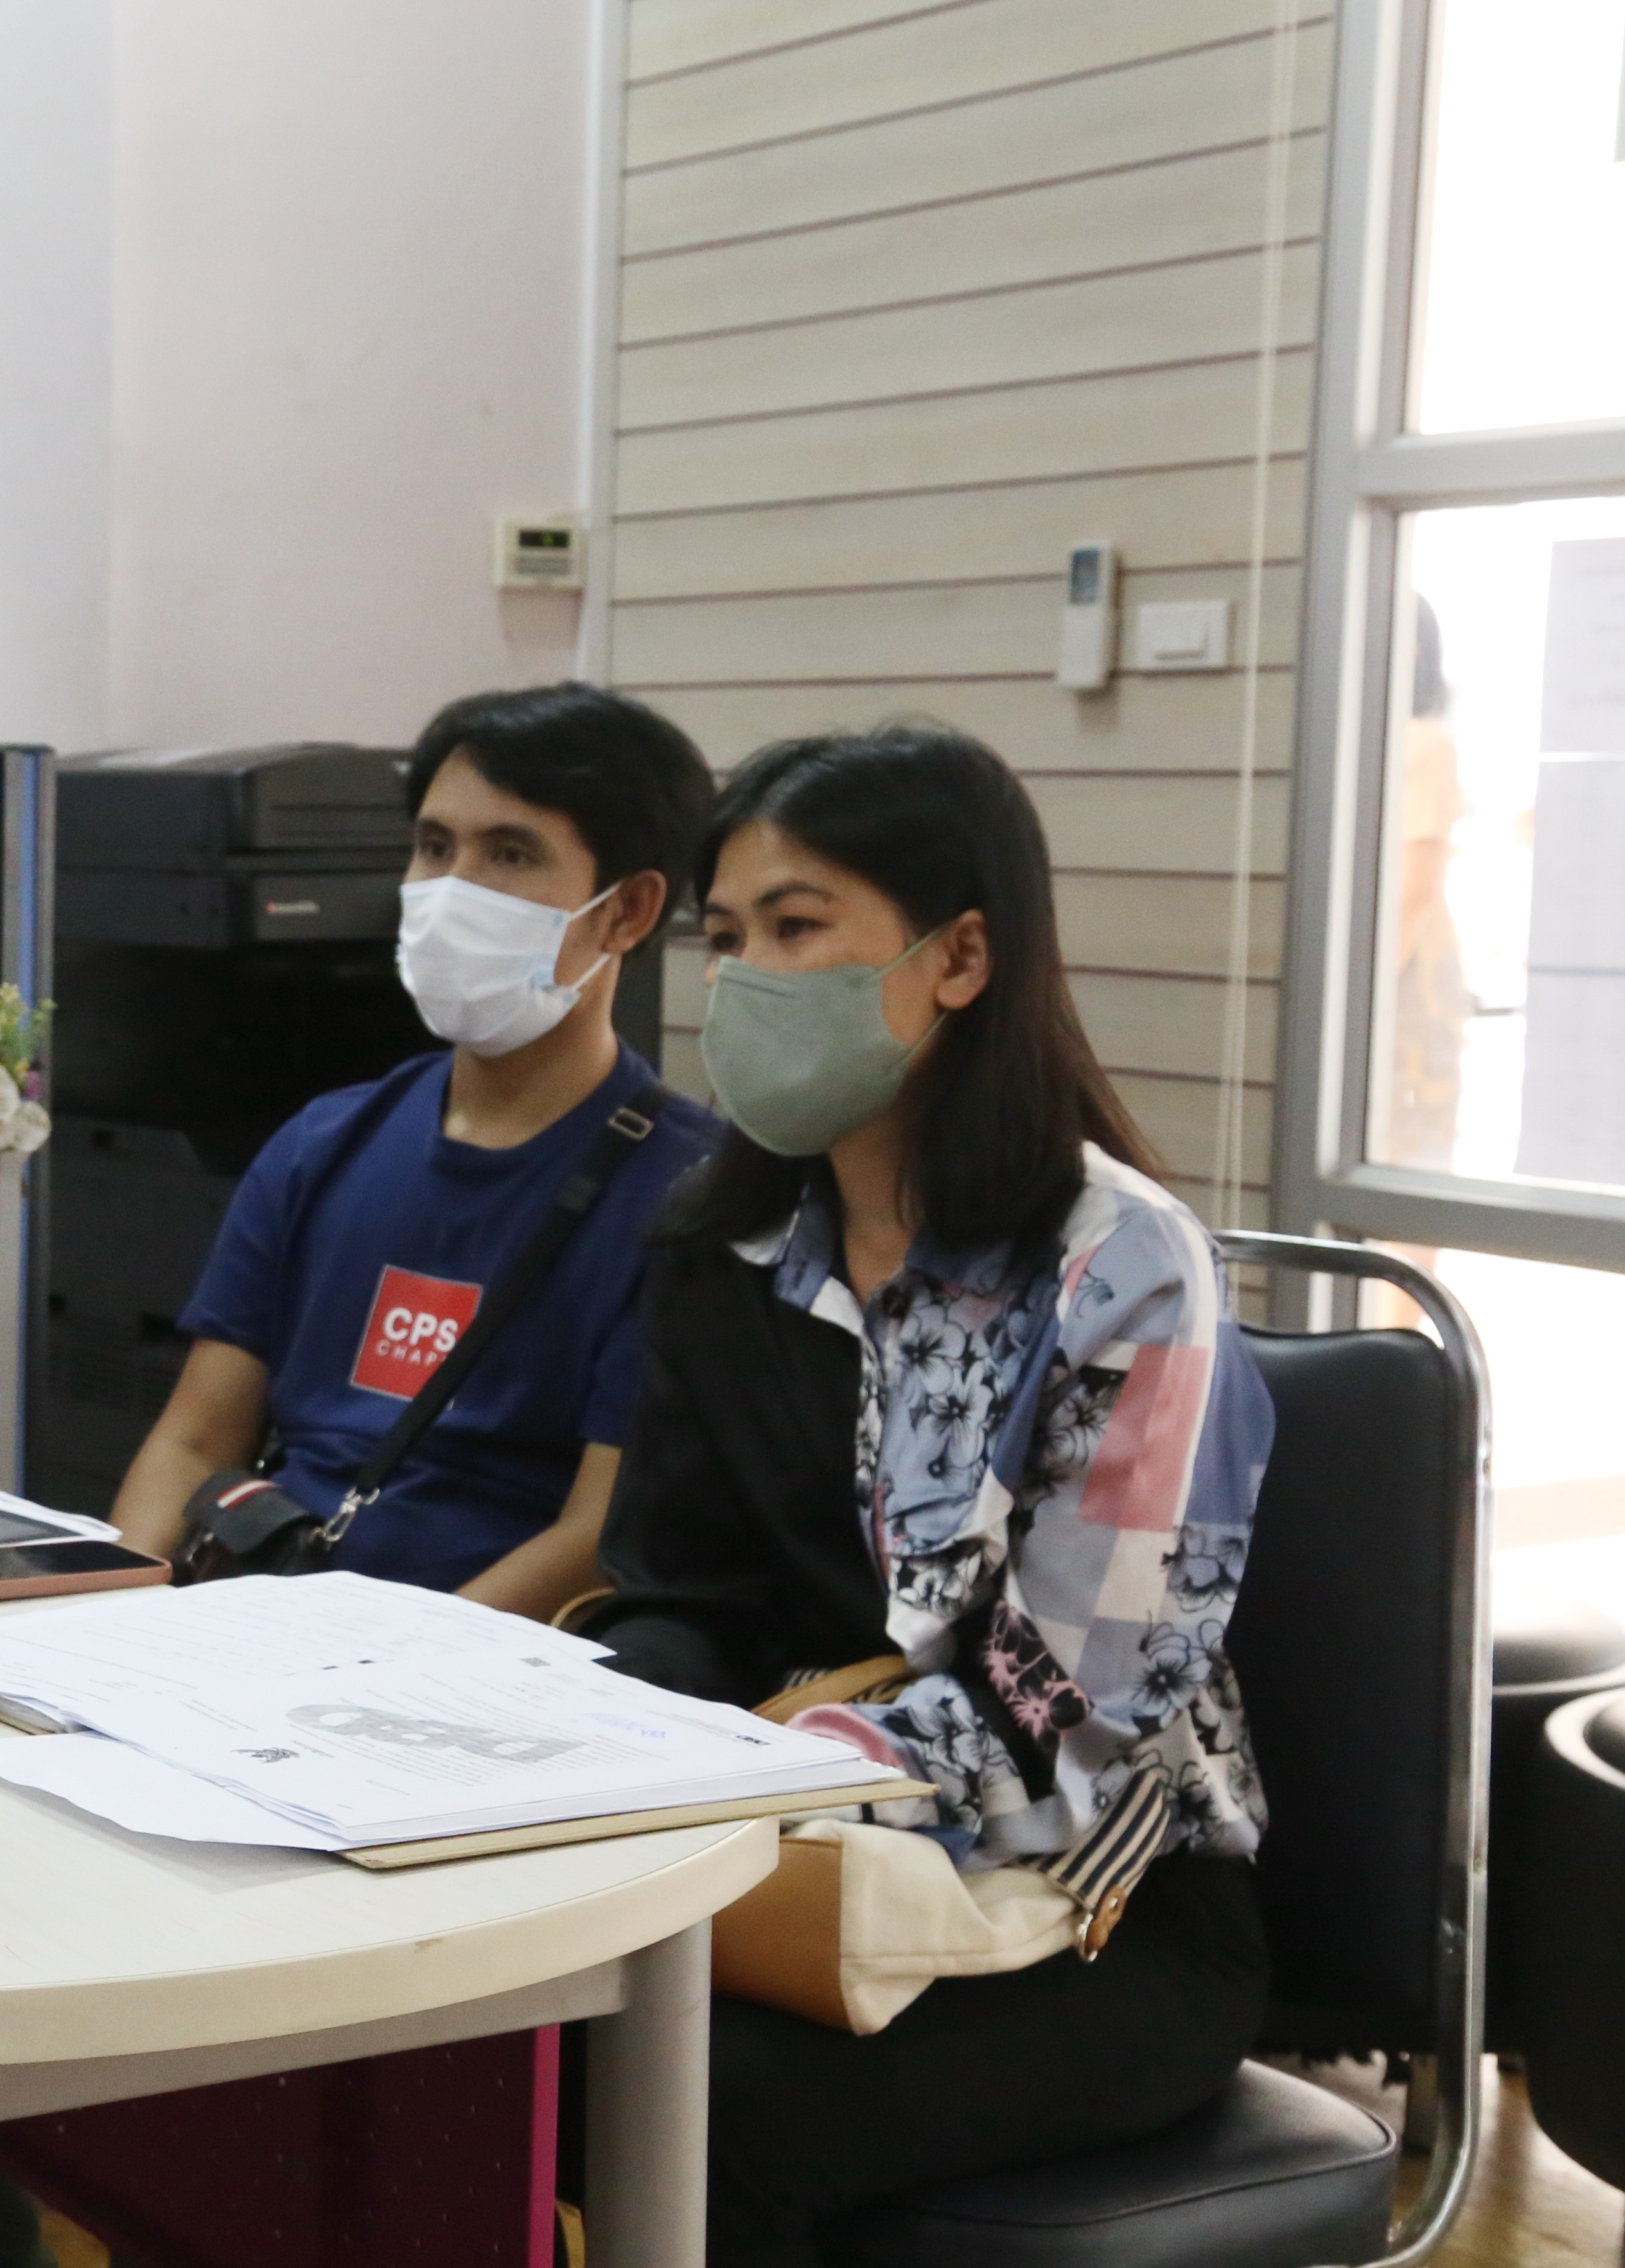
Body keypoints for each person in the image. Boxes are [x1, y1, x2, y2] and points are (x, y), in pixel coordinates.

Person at [581, 721, 1272, 2267]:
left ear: (959, 956)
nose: (745, 979)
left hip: (1091, 1911)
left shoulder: (1121, 1269)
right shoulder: (721, 1247)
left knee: (700, 2113)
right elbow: (681, 1593)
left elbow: (1068, 1716)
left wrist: (745, 1783)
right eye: (724, 938)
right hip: (774, 1862)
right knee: (504, 2036)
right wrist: (609, 1733)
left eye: (795, 927)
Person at [107, 683, 721, 1618]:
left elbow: (597, 1538)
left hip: (483, 1666)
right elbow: (191, 1444)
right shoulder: (323, 1144)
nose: (451, 890)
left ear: (627, 911)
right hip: (255, 1631)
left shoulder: (687, 1194)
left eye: (509, 853)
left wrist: (390, 1672)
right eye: (435, 847)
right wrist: (114, 1623)